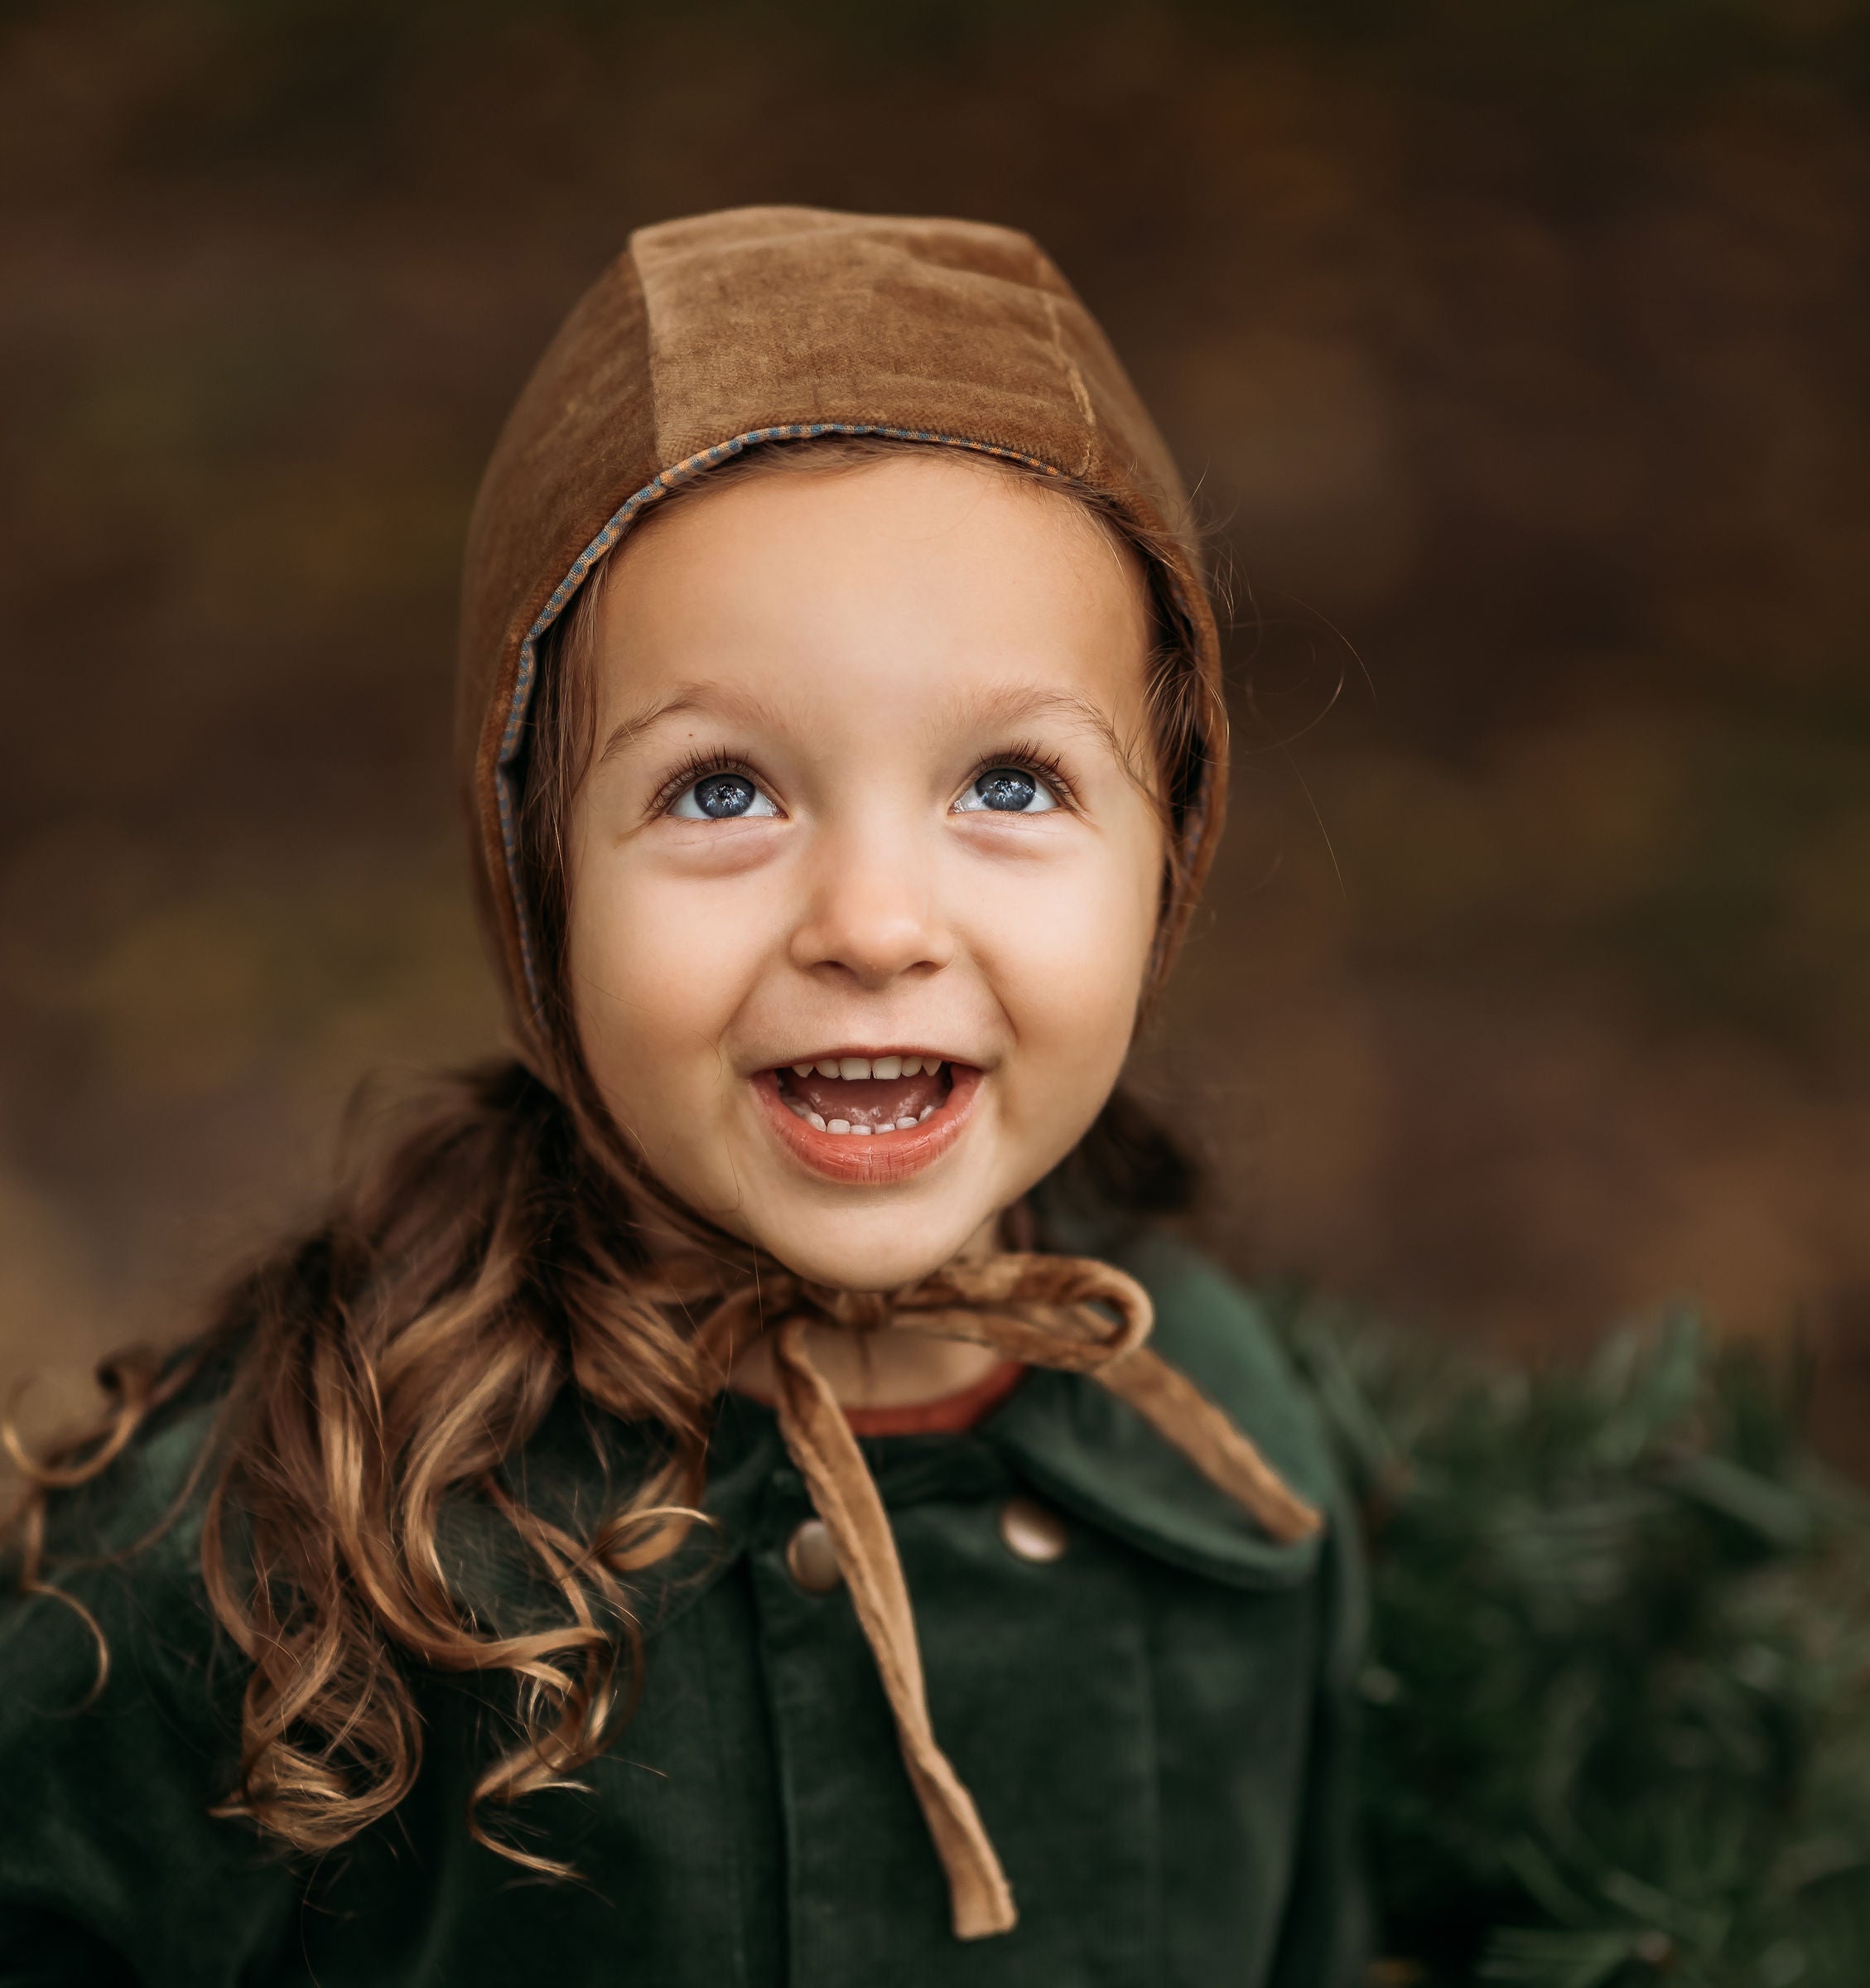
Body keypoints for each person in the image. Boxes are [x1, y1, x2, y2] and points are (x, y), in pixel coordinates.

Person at [0, 208, 1365, 1986]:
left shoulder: (1228, 1461)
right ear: (538, 868)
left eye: (1011, 783)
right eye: (723, 793)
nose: (874, 925)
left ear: (1169, 844)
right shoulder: (271, 1552)